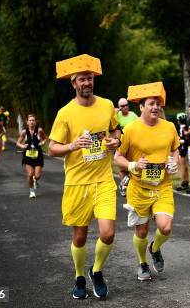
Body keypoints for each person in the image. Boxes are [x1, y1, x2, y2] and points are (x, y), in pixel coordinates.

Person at [47, 54, 121, 299]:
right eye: (82, 79)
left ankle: (96, 271)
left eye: (90, 78)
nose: (87, 83)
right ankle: (79, 276)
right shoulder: (65, 113)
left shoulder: (108, 105)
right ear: (74, 83)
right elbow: (52, 148)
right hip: (77, 182)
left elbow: (116, 129)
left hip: (103, 180)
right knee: (79, 236)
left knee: (108, 233)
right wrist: (72, 146)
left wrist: (115, 141)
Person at [114, 82, 180, 281]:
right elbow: (118, 156)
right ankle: (142, 263)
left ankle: (155, 247)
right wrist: (133, 165)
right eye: (151, 103)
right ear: (141, 107)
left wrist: (174, 163)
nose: (155, 107)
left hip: (163, 186)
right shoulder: (131, 129)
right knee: (141, 231)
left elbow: (175, 149)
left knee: (165, 227)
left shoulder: (169, 127)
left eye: (158, 104)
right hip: (139, 188)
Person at [16, 114, 48, 198]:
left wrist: (43, 142)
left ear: (35, 122)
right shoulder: (24, 132)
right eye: (30, 120)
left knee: (37, 176)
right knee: (30, 174)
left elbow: (45, 138)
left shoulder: (40, 130)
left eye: (33, 120)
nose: (31, 122)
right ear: (27, 122)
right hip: (28, 155)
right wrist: (23, 146)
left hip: (38, 155)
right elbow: (18, 142)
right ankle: (32, 191)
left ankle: (35, 180)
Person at [116, 98, 138, 197]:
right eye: (122, 106)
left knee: (130, 166)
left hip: (132, 145)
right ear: (119, 107)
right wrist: (115, 111)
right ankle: (124, 185)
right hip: (120, 145)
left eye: (126, 105)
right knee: (121, 168)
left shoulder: (133, 115)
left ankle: (129, 185)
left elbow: (141, 125)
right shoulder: (117, 116)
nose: (125, 107)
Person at [175, 112, 190, 191]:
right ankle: (186, 182)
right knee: (184, 166)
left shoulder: (182, 127)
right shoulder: (185, 126)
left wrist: (178, 140)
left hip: (183, 147)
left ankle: (183, 183)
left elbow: (183, 138)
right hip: (184, 146)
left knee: (182, 166)